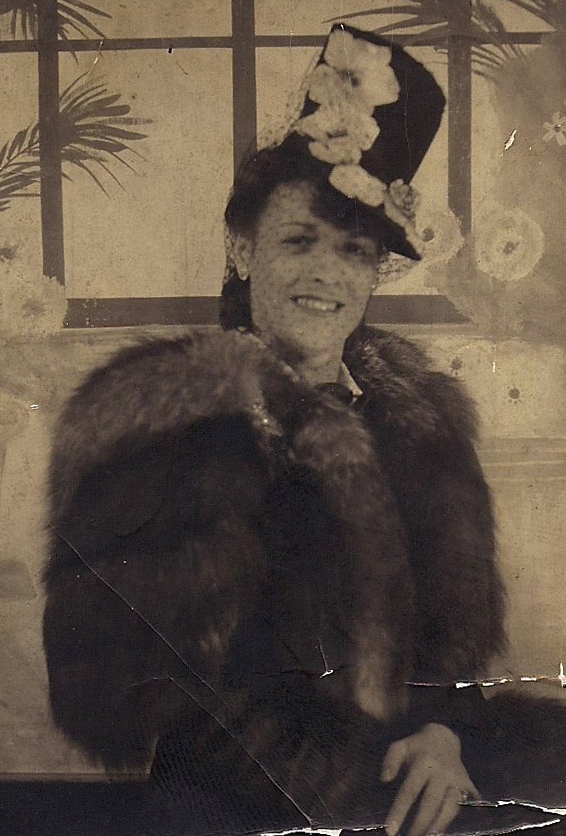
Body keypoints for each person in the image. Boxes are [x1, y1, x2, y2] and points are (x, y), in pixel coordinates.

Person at [42, 23, 566, 836]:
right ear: (242, 247)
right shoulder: (158, 422)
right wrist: (373, 789)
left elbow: (451, 656)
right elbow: (132, 695)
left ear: (376, 273)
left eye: (354, 251)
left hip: (416, 779)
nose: (327, 273)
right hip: (241, 799)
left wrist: (448, 735)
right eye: (298, 240)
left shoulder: (421, 422)